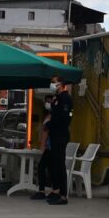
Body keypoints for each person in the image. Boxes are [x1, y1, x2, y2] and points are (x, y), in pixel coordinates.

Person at [46, 76, 72, 205]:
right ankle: (55, 190)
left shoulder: (65, 99)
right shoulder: (56, 99)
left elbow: (64, 119)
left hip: (60, 135)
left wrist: (49, 125)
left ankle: (63, 195)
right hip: (54, 135)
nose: (52, 84)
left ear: (61, 84)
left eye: (54, 82)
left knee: (60, 164)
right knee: (53, 163)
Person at [30, 95, 54, 200]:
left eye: (49, 102)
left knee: (42, 166)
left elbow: (46, 131)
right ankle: (44, 190)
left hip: (50, 146)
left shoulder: (53, 117)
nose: (47, 104)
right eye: (46, 101)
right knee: (45, 167)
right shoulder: (48, 116)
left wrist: (43, 145)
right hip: (49, 146)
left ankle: (42, 190)